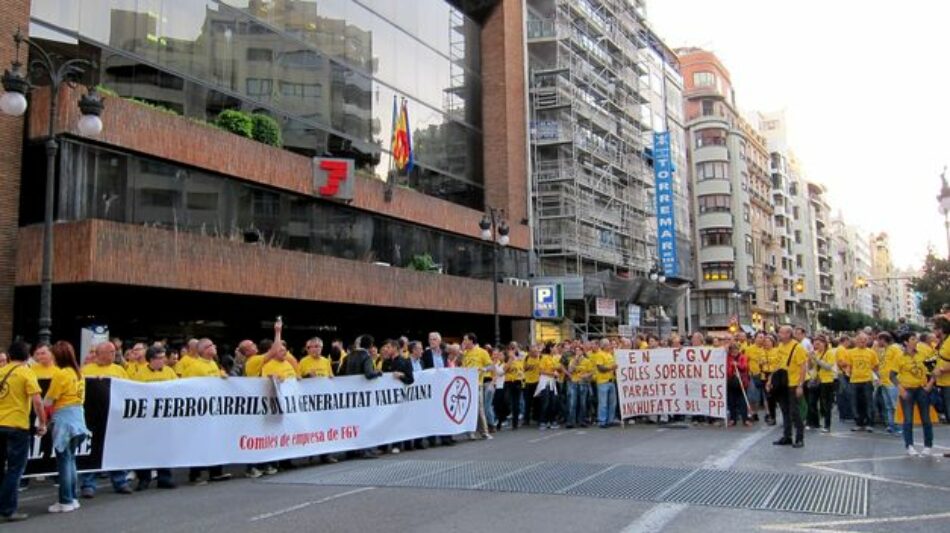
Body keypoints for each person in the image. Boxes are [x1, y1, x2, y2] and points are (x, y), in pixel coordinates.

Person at [0, 342, 48, 522]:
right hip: (17, 426)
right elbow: (37, 401)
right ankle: (8, 509)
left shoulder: (1, 371)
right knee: (15, 469)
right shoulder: (26, 372)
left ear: (10, 356)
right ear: (27, 356)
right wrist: (42, 423)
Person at [79, 342, 132, 497]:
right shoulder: (86, 370)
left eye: (114, 351)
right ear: (100, 353)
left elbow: (128, 390)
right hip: (93, 417)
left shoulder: (119, 370)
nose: (114, 354)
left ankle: (120, 481)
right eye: (111, 351)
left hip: (115, 417)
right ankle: (88, 484)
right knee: (93, 450)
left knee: (116, 449)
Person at [44, 341, 90, 512]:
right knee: (71, 460)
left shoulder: (61, 374)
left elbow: (49, 399)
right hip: (79, 418)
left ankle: (65, 500)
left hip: (63, 419)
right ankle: (72, 498)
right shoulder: (79, 374)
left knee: (64, 460)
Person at [180, 338, 231, 484]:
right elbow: (188, 386)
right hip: (201, 410)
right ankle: (195, 475)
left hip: (214, 410)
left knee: (216, 440)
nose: (214, 347)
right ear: (203, 350)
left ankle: (216, 472)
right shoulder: (194, 366)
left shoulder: (213, 363)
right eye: (210, 346)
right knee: (199, 441)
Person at [130, 345, 177, 490]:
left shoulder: (169, 372)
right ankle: (144, 478)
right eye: (160, 358)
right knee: (144, 448)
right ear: (151, 359)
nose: (163, 360)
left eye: (164, 357)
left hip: (164, 417)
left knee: (164, 447)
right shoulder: (140, 374)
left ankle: (164, 477)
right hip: (147, 417)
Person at [892, 333, 935, 456]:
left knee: (926, 419)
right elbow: (892, 375)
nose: (916, 340)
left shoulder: (923, 354)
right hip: (907, 389)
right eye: (912, 339)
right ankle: (909, 445)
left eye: (916, 338)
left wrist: (930, 385)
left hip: (922, 388)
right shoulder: (899, 357)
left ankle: (928, 445)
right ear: (906, 342)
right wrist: (900, 389)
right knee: (908, 419)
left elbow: (933, 370)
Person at [768, 326, 807, 448]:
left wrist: (800, 385)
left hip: (793, 383)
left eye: (782, 333)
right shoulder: (780, 346)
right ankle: (787, 436)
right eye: (779, 332)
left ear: (789, 334)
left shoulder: (798, 347)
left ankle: (800, 438)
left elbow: (803, 367)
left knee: (795, 411)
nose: (779, 334)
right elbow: (777, 364)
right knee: (785, 410)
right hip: (782, 383)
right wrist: (770, 379)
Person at [839, 332, 879, 432]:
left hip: (867, 380)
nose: (862, 342)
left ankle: (869, 423)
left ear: (867, 341)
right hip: (854, 381)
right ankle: (859, 423)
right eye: (860, 340)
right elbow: (848, 366)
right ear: (856, 341)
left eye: (865, 340)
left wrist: (876, 377)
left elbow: (876, 366)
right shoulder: (850, 352)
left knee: (868, 402)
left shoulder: (871, 352)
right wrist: (846, 369)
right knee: (855, 403)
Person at [461, 333, 494, 439]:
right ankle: (470, 431)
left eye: (465, 340)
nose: (464, 342)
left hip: (477, 384)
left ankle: (484, 431)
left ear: (471, 341)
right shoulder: (465, 353)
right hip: (466, 385)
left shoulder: (482, 352)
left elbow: (490, 366)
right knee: (468, 408)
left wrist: (483, 369)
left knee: (479, 408)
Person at [806, 336, 836, 433]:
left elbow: (828, 367)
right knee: (812, 402)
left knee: (826, 404)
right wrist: (810, 359)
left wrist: (817, 359)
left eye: (818, 343)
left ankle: (827, 425)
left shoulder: (829, 353)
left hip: (826, 381)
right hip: (816, 380)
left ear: (824, 343)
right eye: (815, 344)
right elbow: (810, 367)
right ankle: (814, 423)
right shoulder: (816, 353)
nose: (816, 345)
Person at [877, 333, 903, 434]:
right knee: (888, 406)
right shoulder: (886, 350)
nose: (878, 342)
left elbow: (900, 361)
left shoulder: (894, 348)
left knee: (894, 405)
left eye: (879, 340)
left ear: (883, 339)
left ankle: (898, 426)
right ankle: (891, 425)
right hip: (884, 381)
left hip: (891, 382)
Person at [590, 339, 618, 429]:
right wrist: (611, 368)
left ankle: (610, 420)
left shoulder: (610, 354)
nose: (610, 346)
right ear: (604, 346)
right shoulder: (599, 355)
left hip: (611, 381)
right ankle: (602, 421)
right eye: (608, 344)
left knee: (612, 403)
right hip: (603, 382)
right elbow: (600, 368)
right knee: (603, 403)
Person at [565, 346, 593, 428]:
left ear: (582, 352)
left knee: (582, 403)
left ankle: (582, 421)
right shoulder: (572, 360)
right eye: (576, 351)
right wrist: (575, 362)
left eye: (579, 350)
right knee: (572, 403)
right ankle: (571, 421)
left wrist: (586, 375)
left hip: (583, 383)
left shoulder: (587, 361)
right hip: (574, 382)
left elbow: (591, 372)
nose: (577, 352)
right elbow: (570, 370)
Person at [726, 343, 750, 427]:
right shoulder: (728, 358)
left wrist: (737, 365)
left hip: (741, 382)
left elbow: (744, 367)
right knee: (732, 401)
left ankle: (745, 419)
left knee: (742, 401)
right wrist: (731, 367)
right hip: (731, 382)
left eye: (735, 349)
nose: (734, 351)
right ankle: (733, 419)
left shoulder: (743, 357)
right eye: (732, 350)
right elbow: (727, 370)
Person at [522, 347, 541, 427]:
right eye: (533, 352)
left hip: (537, 381)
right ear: (529, 352)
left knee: (537, 401)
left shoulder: (540, 358)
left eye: (536, 351)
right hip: (528, 382)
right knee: (527, 402)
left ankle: (537, 418)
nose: (535, 353)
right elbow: (524, 368)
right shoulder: (526, 358)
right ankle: (526, 419)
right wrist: (528, 367)